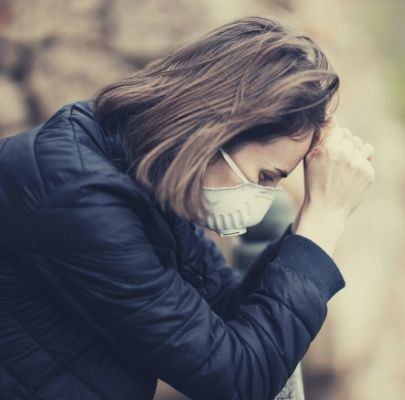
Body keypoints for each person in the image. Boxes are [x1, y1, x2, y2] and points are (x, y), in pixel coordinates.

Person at [0, 16, 374, 400]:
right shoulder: (79, 196)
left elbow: (227, 315)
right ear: (219, 130)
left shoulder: (136, 169)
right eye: (266, 176)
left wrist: (304, 229)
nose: (265, 197)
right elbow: (236, 379)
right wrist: (323, 222)